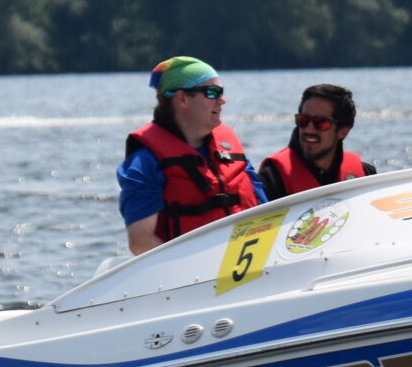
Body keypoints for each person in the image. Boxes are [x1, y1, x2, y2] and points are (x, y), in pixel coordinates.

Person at [118, 56, 263, 255]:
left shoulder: (230, 147)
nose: (222, 100)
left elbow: (265, 211)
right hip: (190, 276)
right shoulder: (144, 163)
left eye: (222, 92)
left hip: (251, 263)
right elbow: (140, 243)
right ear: (182, 99)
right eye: (213, 92)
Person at [258, 83, 371, 197]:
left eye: (321, 123)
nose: (309, 129)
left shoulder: (365, 174)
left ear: (343, 131)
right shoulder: (272, 177)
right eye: (303, 120)